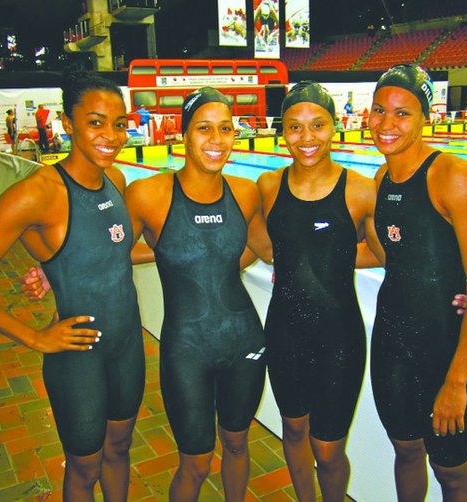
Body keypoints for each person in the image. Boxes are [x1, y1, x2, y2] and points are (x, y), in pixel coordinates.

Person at [0, 69, 146, 500]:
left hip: (128, 346)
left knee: (120, 449)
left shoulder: (117, 182)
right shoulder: (38, 193)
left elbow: (106, 254)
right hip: (78, 357)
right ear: (67, 123)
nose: (111, 134)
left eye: (120, 123)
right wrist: (33, 336)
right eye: (95, 122)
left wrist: (53, 272)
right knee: (84, 469)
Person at [125, 87, 272, 501]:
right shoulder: (148, 194)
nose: (216, 140)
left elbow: (269, 250)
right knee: (195, 461)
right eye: (204, 129)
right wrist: (49, 269)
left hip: (244, 338)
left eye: (225, 129)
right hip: (186, 349)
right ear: (184, 135)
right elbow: (108, 251)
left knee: (239, 442)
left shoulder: (245, 193)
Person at [365, 64, 467, 501]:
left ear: (426, 116)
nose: (387, 124)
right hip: (390, 342)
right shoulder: (381, 179)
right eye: (379, 111)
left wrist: (457, 381)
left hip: (444, 349)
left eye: (402, 113)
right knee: (405, 451)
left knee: (452, 471)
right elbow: (392, 257)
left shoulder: (455, 177)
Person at [256, 81, 379, 501]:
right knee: (292, 428)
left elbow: (389, 254)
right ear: (281, 130)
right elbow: (255, 242)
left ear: (335, 126)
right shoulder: (269, 186)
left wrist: (461, 282)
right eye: (294, 126)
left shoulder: (361, 189)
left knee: (327, 450)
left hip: (339, 337)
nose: (306, 138)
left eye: (318, 125)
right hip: (284, 329)